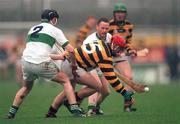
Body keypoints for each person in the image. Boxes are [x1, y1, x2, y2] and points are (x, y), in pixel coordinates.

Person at [6, 9, 85, 119]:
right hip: (41, 63)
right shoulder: (55, 30)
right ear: (53, 19)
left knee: (26, 88)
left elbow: (38, 52)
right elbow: (71, 50)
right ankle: (75, 109)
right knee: (66, 81)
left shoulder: (32, 29)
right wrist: (74, 65)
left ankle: (11, 112)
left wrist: (59, 56)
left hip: (26, 62)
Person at [46, 31, 135, 117]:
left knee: (68, 90)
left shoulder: (100, 43)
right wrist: (124, 93)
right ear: (114, 45)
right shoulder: (105, 56)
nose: (120, 52)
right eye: (119, 48)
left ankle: (52, 111)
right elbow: (112, 79)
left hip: (69, 62)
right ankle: (73, 102)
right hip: (74, 66)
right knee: (97, 87)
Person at [109, 3, 137, 106]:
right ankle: (93, 106)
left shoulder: (129, 26)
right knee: (100, 85)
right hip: (108, 57)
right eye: (118, 12)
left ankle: (127, 103)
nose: (120, 14)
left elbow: (128, 42)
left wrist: (130, 50)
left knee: (129, 77)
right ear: (114, 14)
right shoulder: (108, 25)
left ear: (125, 14)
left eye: (122, 12)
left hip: (120, 57)